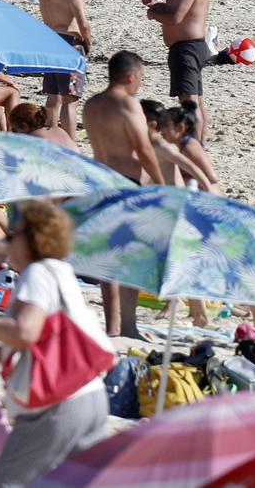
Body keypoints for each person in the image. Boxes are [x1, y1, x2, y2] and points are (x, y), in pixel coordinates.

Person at [0, 201, 114, 488]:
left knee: (8, 479)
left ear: (32, 240)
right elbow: (49, 347)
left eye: (13, 236)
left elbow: (24, 333)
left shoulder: (37, 274)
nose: (7, 243)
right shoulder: (61, 272)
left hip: (60, 404)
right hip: (91, 396)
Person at [81, 51, 163, 336]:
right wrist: (161, 181)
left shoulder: (91, 105)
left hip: (100, 182)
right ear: (131, 76)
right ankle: (128, 325)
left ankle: (113, 325)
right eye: (141, 78)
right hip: (127, 183)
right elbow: (143, 148)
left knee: (107, 258)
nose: (140, 83)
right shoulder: (128, 104)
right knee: (131, 257)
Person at [144, 0, 211, 141]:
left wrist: (152, 15)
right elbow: (176, 10)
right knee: (197, 101)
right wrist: (155, 5)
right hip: (193, 46)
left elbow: (175, 19)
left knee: (190, 103)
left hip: (187, 49)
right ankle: (199, 143)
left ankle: (194, 145)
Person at [36, 0, 91, 138]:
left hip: (50, 40)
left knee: (53, 95)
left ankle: (50, 137)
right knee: (70, 99)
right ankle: (70, 143)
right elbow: (83, 23)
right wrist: (88, 42)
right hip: (69, 42)